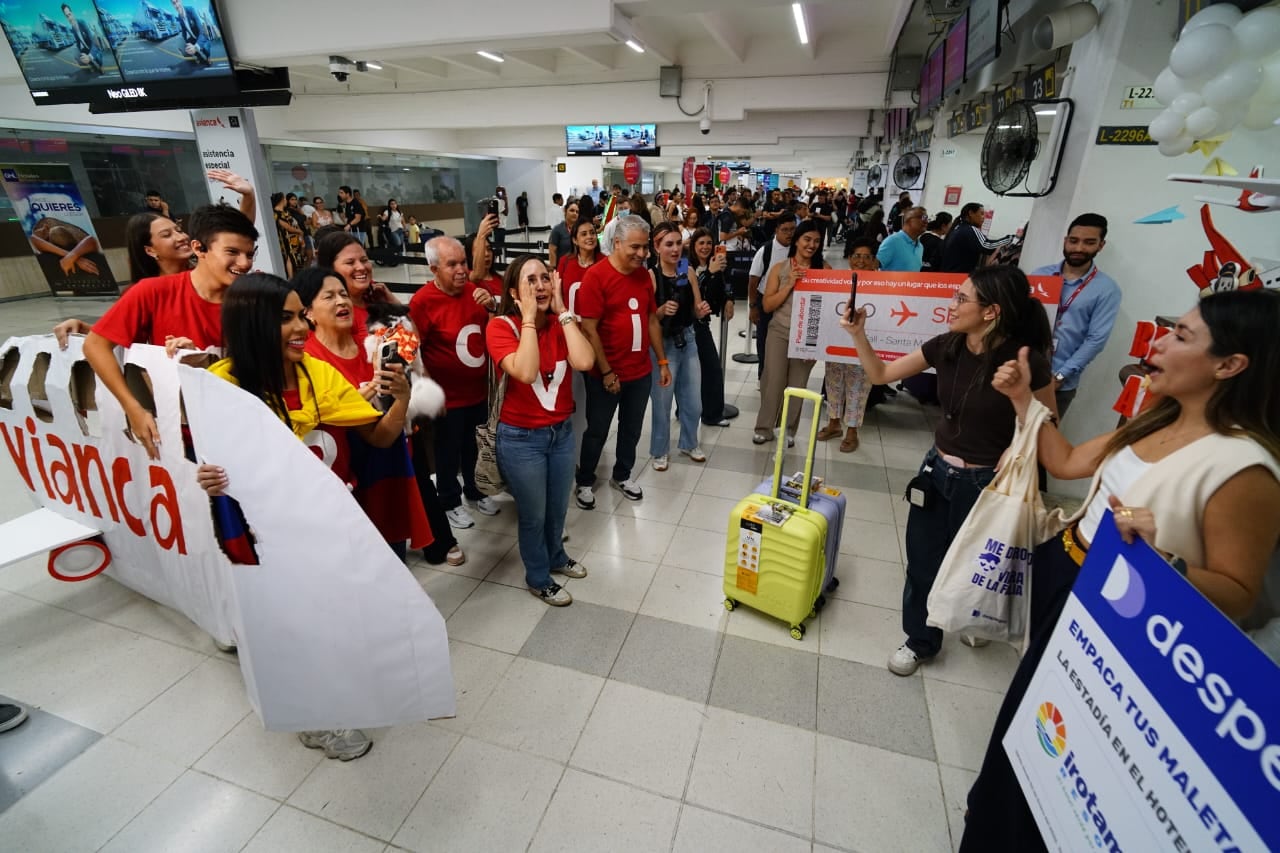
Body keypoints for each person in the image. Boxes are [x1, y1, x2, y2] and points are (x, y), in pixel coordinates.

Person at [961, 288, 1280, 851]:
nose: (1157, 342)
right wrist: (1022, 400)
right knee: (1030, 724)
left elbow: (1239, 593)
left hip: (1129, 623)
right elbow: (1065, 461)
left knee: (1078, 754)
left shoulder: (1245, 467)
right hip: (1071, 584)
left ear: (1230, 365)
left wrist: (1167, 565)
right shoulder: (1154, 419)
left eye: (1181, 336)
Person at [196, 272, 414, 761]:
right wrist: (208, 477)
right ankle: (314, 719)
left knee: (331, 620)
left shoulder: (318, 374)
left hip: (328, 527)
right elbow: (211, 466)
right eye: (286, 318)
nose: (300, 328)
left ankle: (337, 692)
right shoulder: (222, 384)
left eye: (300, 315)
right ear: (253, 324)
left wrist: (400, 398)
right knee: (292, 628)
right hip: (268, 541)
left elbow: (379, 436)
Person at [838, 266, 1057, 676]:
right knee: (922, 562)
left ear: (991, 311)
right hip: (936, 472)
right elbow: (881, 375)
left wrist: (1017, 439)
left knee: (977, 565)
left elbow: (1049, 424)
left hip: (987, 483)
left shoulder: (1025, 363)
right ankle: (921, 640)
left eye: (961, 299)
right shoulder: (947, 346)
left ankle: (972, 619)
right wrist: (857, 335)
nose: (951, 306)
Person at [83, 205, 259, 459]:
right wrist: (133, 408)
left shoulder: (253, 299)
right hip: (182, 437)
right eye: (232, 252)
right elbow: (96, 345)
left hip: (243, 428)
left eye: (249, 255)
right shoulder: (150, 291)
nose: (244, 264)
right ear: (199, 249)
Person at [292, 266, 435, 562]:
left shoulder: (372, 345)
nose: (341, 302)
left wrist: (403, 395)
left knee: (393, 553)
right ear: (308, 312)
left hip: (386, 460)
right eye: (329, 296)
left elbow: (414, 349)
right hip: (343, 472)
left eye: (343, 294)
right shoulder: (307, 360)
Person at [486, 255, 596, 605]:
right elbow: (527, 371)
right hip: (522, 440)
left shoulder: (564, 323)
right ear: (514, 292)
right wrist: (529, 321)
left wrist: (563, 310)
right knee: (533, 514)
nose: (540, 286)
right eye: (530, 281)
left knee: (558, 507)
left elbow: (584, 362)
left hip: (561, 434)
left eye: (545, 278)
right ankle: (537, 575)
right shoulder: (501, 327)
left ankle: (556, 557)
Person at [575, 216, 671, 508]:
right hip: (606, 374)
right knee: (598, 430)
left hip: (640, 372)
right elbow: (589, 328)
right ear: (617, 243)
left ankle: (623, 474)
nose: (642, 254)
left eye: (645, 248)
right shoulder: (596, 276)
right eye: (636, 248)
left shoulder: (642, 276)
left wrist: (662, 361)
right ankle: (585, 481)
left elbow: (651, 319)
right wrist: (606, 372)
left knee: (632, 428)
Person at [409, 236, 501, 528]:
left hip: (478, 392)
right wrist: (428, 392)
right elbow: (414, 349)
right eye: (452, 265)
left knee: (474, 446)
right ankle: (449, 499)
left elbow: (497, 329)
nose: (462, 270)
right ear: (434, 268)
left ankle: (475, 491)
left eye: (463, 262)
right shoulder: (422, 302)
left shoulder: (476, 293)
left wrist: (494, 307)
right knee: (447, 452)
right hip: (447, 398)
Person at [1028, 213, 1122, 418]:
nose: (1079, 248)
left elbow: (1096, 339)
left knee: (1040, 444)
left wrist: (1060, 376)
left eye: (1089, 242)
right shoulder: (1039, 275)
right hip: (1022, 374)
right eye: (1074, 241)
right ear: (1065, 241)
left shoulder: (1106, 289)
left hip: (1059, 383)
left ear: (1101, 245)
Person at [753, 220, 830, 446]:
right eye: (807, 239)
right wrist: (789, 285)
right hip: (779, 331)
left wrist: (817, 344)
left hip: (807, 337)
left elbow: (827, 310)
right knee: (773, 380)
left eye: (816, 241)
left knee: (798, 385)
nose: (811, 245)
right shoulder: (780, 268)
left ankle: (788, 429)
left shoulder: (824, 270)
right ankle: (764, 427)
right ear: (796, 240)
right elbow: (767, 306)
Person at [648, 222, 710, 470]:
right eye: (668, 244)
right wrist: (661, 311)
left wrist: (701, 309)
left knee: (693, 400)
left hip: (689, 339)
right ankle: (660, 450)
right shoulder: (651, 276)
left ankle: (688, 442)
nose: (675, 250)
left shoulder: (686, 270)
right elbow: (647, 318)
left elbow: (696, 307)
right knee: (662, 403)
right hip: (663, 344)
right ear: (657, 247)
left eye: (677, 243)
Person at [818, 238, 877, 453]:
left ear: (874, 261)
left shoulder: (883, 285)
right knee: (834, 384)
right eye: (856, 256)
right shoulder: (840, 280)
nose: (861, 261)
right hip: (837, 343)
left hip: (864, 346)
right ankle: (834, 423)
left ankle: (852, 431)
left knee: (858, 389)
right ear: (849, 258)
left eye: (866, 257)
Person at [314, 231, 400, 348]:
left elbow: (411, 348)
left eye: (364, 260)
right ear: (330, 269)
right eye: (350, 262)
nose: (361, 267)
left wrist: (394, 305)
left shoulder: (377, 298)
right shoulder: (335, 315)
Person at [687, 227, 736, 427]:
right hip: (687, 324)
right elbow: (687, 290)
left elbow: (726, 284)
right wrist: (709, 273)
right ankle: (686, 411)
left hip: (703, 323)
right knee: (690, 372)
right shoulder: (684, 264)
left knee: (711, 369)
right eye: (701, 243)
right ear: (693, 245)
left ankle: (712, 413)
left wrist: (729, 299)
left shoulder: (716, 263)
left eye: (709, 243)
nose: (705, 247)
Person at [747, 217, 796, 380]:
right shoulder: (766, 251)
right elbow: (753, 280)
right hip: (766, 301)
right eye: (785, 230)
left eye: (792, 229)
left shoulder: (797, 249)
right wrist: (753, 306)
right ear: (776, 230)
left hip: (790, 303)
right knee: (764, 342)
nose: (789, 234)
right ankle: (763, 376)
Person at [940, 202, 1013, 273]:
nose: (983, 217)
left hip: (948, 275)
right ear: (971, 213)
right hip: (959, 276)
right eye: (981, 214)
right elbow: (988, 246)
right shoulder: (970, 229)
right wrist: (1010, 238)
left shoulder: (957, 228)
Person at [876, 206, 927, 272]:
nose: (926, 221)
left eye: (926, 218)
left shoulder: (920, 247)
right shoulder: (892, 242)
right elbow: (874, 267)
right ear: (907, 221)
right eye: (922, 217)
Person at [63, 4, 104, 75]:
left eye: (69, 14)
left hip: (94, 45)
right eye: (67, 16)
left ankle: (100, 66)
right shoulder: (72, 28)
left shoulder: (82, 22)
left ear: (72, 13)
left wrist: (90, 56)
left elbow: (93, 41)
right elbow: (78, 41)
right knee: (79, 55)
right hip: (85, 47)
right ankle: (92, 65)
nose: (69, 18)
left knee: (98, 58)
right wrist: (80, 52)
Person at [272, 192, 305, 277]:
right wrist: (299, 232)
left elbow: (294, 223)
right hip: (286, 240)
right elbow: (287, 227)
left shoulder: (286, 212)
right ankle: (291, 277)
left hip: (294, 239)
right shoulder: (276, 213)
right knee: (290, 257)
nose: (285, 200)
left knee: (297, 258)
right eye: (284, 199)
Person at [172, 0, 211, 65]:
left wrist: (196, 46)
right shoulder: (179, 17)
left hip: (201, 36)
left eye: (177, 1)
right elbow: (183, 31)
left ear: (180, 1)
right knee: (188, 46)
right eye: (174, 3)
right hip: (193, 37)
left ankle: (208, 56)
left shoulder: (190, 10)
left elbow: (201, 30)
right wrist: (183, 44)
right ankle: (200, 57)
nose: (176, 5)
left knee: (205, 48)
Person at [547, 199, 578, 271]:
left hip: (577, 268)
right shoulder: (557, 230)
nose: (575, 213)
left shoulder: (580, 230)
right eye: (572, 210)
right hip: (562, 269)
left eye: (577, 212)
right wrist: (554, 270)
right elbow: (552, 251)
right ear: (565, 211)